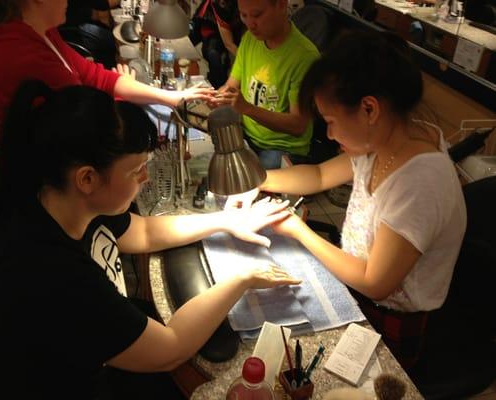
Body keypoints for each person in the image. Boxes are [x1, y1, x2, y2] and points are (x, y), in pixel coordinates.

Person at [0, 81, 300, 399]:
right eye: (136, 169)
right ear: (88, 178)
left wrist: (227, 221)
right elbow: (171, 347)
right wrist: (241, 280)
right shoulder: (54, 274)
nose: (145, 177)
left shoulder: (60, 200)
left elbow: (144, 232)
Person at [257, 31, 467, 369]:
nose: (328, 135)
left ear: (369, 108)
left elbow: (376, 283)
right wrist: (256, 179)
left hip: (391, 318)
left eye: (330, 122)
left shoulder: (420, 181)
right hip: (358, 289)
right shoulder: (386, 137)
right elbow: (320, 176)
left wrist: (298, 230)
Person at [0, 0, 215, 204]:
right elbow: (90, 123)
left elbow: (95, 77)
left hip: (33, 169)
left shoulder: (40, 32)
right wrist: (115, 97)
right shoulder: (19, 53)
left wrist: (171, 97)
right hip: (8, 188)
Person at [215, 0, 319, 169]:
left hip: (282, 148)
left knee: (250, 181)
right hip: (247, 135)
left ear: (281, 5)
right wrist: (220, 96)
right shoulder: (249, 39)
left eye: (257, 15)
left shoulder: (305, 56)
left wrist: (247, 108)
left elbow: (298, 125)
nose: (250, 24)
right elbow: (231, 85)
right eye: (244, 15)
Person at [189, 0, 245, 88]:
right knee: (213, 54)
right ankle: (216, 88)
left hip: (232, 25)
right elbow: (229, 44)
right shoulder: (221, 4)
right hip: (210, 27)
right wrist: (248, 63)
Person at [59, 0, 121, 69]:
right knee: (112, 41)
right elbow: (104, 4)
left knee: (110, 31)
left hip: (80, 20)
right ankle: (109, 68)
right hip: (72, 26)